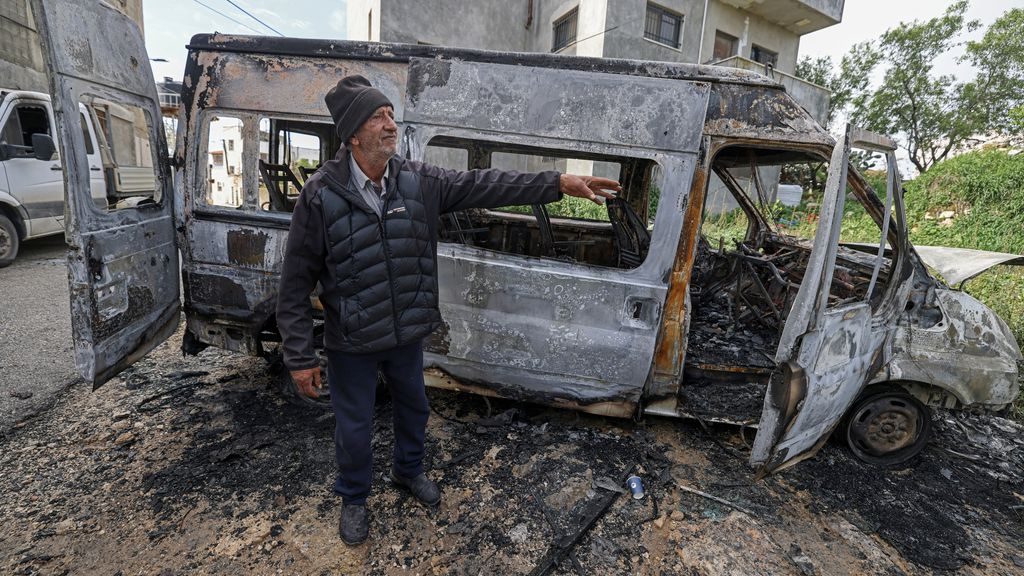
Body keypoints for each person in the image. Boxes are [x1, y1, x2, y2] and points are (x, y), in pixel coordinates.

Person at [276, 75, 620, 545]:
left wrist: (557, 182)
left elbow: (484, 184)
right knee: (353, 429)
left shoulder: (418, 181)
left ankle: (407, 470)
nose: (391, 124)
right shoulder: (320, 195)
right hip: (352, 339)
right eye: (378, 117)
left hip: (406, 331)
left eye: (391, 114)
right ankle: (354, 498)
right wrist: (299, 356)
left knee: (414, 409)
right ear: (353, 134)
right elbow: (295, 281)